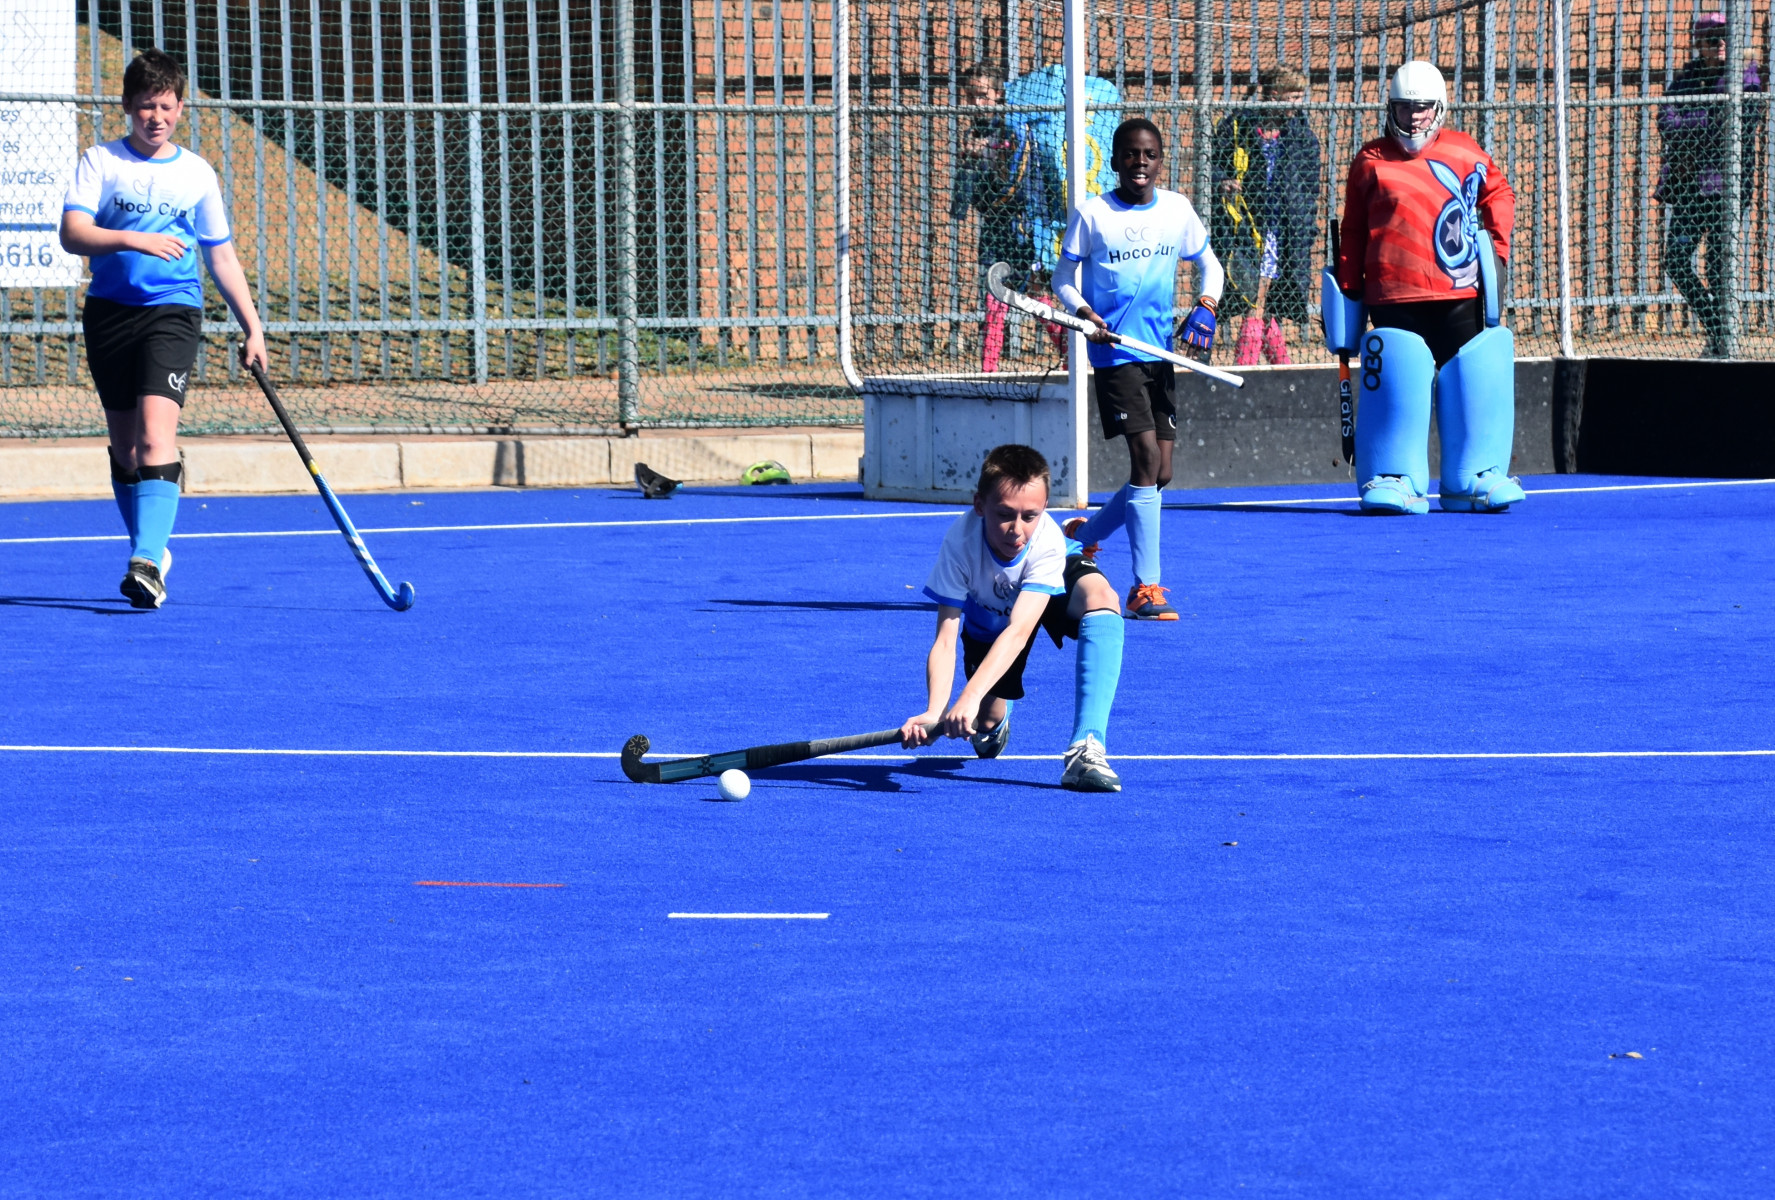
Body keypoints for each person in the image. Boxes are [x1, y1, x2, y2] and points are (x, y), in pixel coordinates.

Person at [60, 48, 268, 608]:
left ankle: (147, 560)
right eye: (147, 106)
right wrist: (134, 239)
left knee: (156, 437)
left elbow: (220, 256)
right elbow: (73, 234)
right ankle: (149, 551)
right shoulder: (100, 162)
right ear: (128, 106)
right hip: (109, 312)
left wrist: (252, 326)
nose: (157, 117)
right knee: (127, 449)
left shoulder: (196, 173)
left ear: (181, 108)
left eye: (167, 106)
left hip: (171, 312)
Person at [1052, 117, 1224, 620]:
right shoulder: (1093, 214)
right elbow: (1063, 278)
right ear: (1115, 160)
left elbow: (1210, 265)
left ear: (1160, 159)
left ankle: (1084, 535)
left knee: (1160, 473)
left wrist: (1207, 305)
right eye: (1130, 154)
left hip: (1159, 354)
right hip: (1114, 354)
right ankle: (1145, 588)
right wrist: (1084, 314)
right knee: (1145, 459)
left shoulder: (1176, 209)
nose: (1139, 163)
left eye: (1149, 154)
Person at [1330, 60, 1520, 514]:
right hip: (1393, 299)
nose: (1413, 118)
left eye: (1421, 108)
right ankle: (1394, 474)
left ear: (1439, 109)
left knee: (1474, 378)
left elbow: (1500, 194)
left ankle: (1474, 475)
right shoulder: (1370, 161)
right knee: (1396, 381)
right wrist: (1349, 286)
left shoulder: (1464, 151)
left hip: (1460, 298)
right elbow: (1353, 229)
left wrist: (1496, 252)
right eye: (1403, 108)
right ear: (1390, 110)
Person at [900, 443, 1125, 793]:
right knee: (986, 721)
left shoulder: (1047, 542)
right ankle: (996, 718)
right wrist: (934, 711)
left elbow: (1020, 630)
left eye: (1030, 516)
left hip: (1044, 588)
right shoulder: (960, 544)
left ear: (1044, 508)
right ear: (979, 505)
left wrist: (968, 695)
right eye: (1004, 514)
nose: (1016, 529)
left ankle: (1087, 747)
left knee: (1102, 598)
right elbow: (945, 640)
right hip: (989, 617)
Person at [1657, 12, 1765, 358]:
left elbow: (1737, 126)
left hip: (1726, 189)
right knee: (1676, 261)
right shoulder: (1687, 78)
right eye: (1712, 39)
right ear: (1699, 44)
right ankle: (1719, 329)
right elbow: (1665, 120)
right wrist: (1706, 123)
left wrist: (1693, 124)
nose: (1719, 44)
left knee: (1719, 268)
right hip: (1689, 186)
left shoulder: (1745, 77)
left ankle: (1723, 344)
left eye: (1724, 38)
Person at [950, 64, 1064, 372]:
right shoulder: (974, 133)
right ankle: (989, 370)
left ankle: (1069, 355)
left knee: (1037, 298)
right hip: (995, 229)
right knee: (994, 299)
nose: (975, 103)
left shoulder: (1012, 128)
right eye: (969, 96)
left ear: (998, 94)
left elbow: (1012, 181)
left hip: (1024, 228)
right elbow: (974, 194)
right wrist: (970, 161)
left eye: (982, 95)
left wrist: (987, 151)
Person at [1211, 65, 1322, 366]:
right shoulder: (1239, 126)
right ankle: (1250, 369)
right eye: (1293, 96)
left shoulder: (1301, 136)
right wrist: (1224, 182)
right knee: (1256, 300)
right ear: (1274, 95)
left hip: (1283, 231)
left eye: (1301, 96)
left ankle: (1280, 370)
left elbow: (1309, 188)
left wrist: (1305, 227)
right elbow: (1216, 165)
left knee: (1264, 304)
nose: (1299, 103)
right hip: (1247, 228)